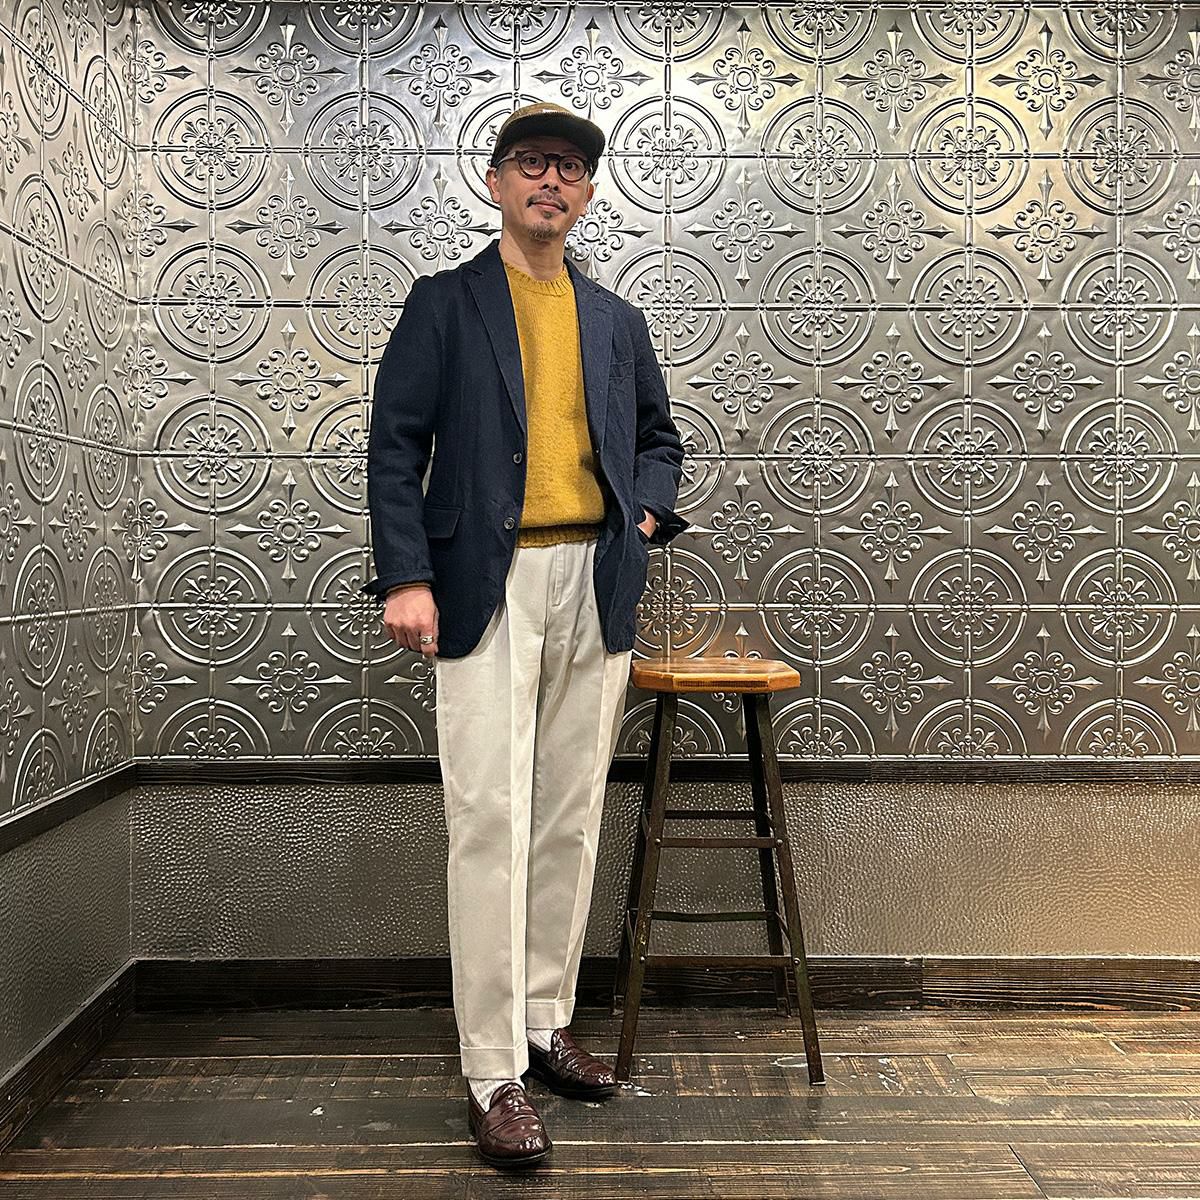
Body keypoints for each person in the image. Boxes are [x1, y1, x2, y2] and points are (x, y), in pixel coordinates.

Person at [361, 100, 689, 1169]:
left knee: (570, 814)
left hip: (595, 582)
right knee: (489, 817)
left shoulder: (616, 320)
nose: (553, 181)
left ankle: (545, 1022)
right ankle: (490, 1068)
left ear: (588, 195)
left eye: (571, 169)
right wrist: (406, 576)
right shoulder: (444, 303)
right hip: (480, 585)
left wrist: (643, 516)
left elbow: (659, 440)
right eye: (533, 163)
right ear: (497, 181)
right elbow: (394, 446)